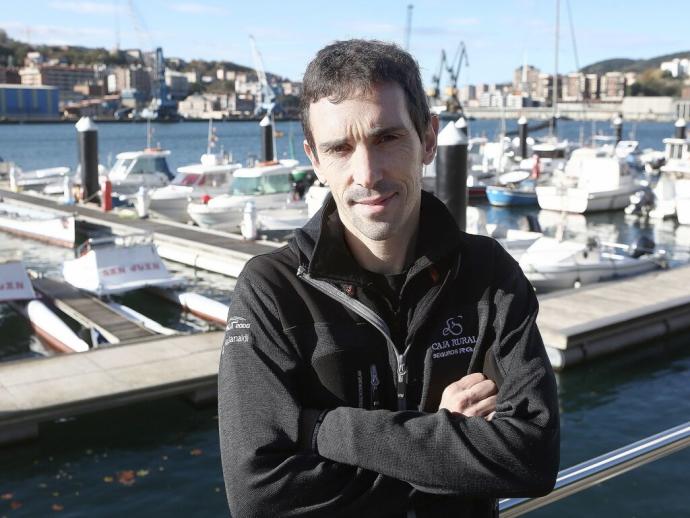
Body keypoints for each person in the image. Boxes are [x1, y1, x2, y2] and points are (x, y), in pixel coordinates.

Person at [218, 39, 559, 518]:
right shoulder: (273, 290)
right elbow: (260, 497)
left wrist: (321, 430)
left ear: (429, 139)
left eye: (387, 138)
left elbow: (531, 458)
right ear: (315, 160)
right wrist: (442, 441)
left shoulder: (489, 275)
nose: (367, 173)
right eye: (340, 147)